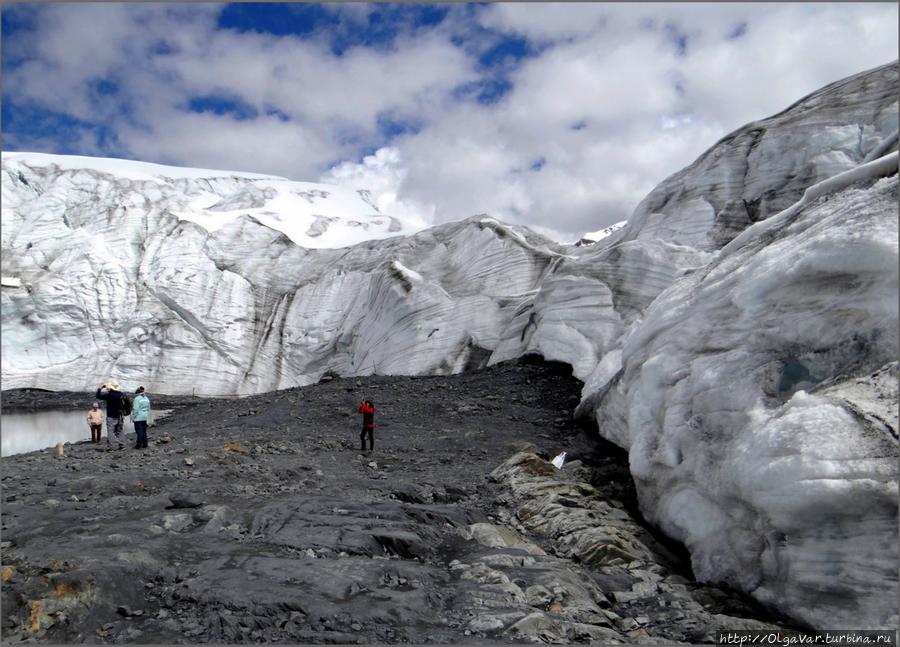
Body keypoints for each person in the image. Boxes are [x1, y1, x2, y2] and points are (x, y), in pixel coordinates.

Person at [96, 381, 126, 450]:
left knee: (111, 432)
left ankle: (111, 447)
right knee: (120, 430)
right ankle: (122, 445)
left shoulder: (110, 395)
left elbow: (98, 396)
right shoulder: (121, 394)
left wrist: (99, 389)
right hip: (120, 416)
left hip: (111, 416)